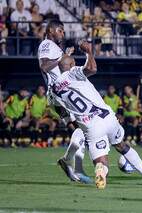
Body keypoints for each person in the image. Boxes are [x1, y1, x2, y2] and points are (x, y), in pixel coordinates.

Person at [54, 41, 142, 189]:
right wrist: (89, 52)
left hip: (90, 126)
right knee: (122, 146)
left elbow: (61, 111)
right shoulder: (73, 72)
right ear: (72, 65)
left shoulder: (53, 91)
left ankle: (101, 169)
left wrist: (67, 57)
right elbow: (92, 68)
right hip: (106, 117)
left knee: (102, 163)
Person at [37, 20, 90, 183]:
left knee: (78, 130)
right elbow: (44, 66)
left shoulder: (55, 48)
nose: (63, 34)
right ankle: (75, 166)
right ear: (51, 30)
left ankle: (71, 165)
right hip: (59, 92)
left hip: (58, 94)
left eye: (63, 31)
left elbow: (59, 66)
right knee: (84, 128)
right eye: (60, 30)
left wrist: (64, 55)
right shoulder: (46, 44)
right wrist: (62, 57)